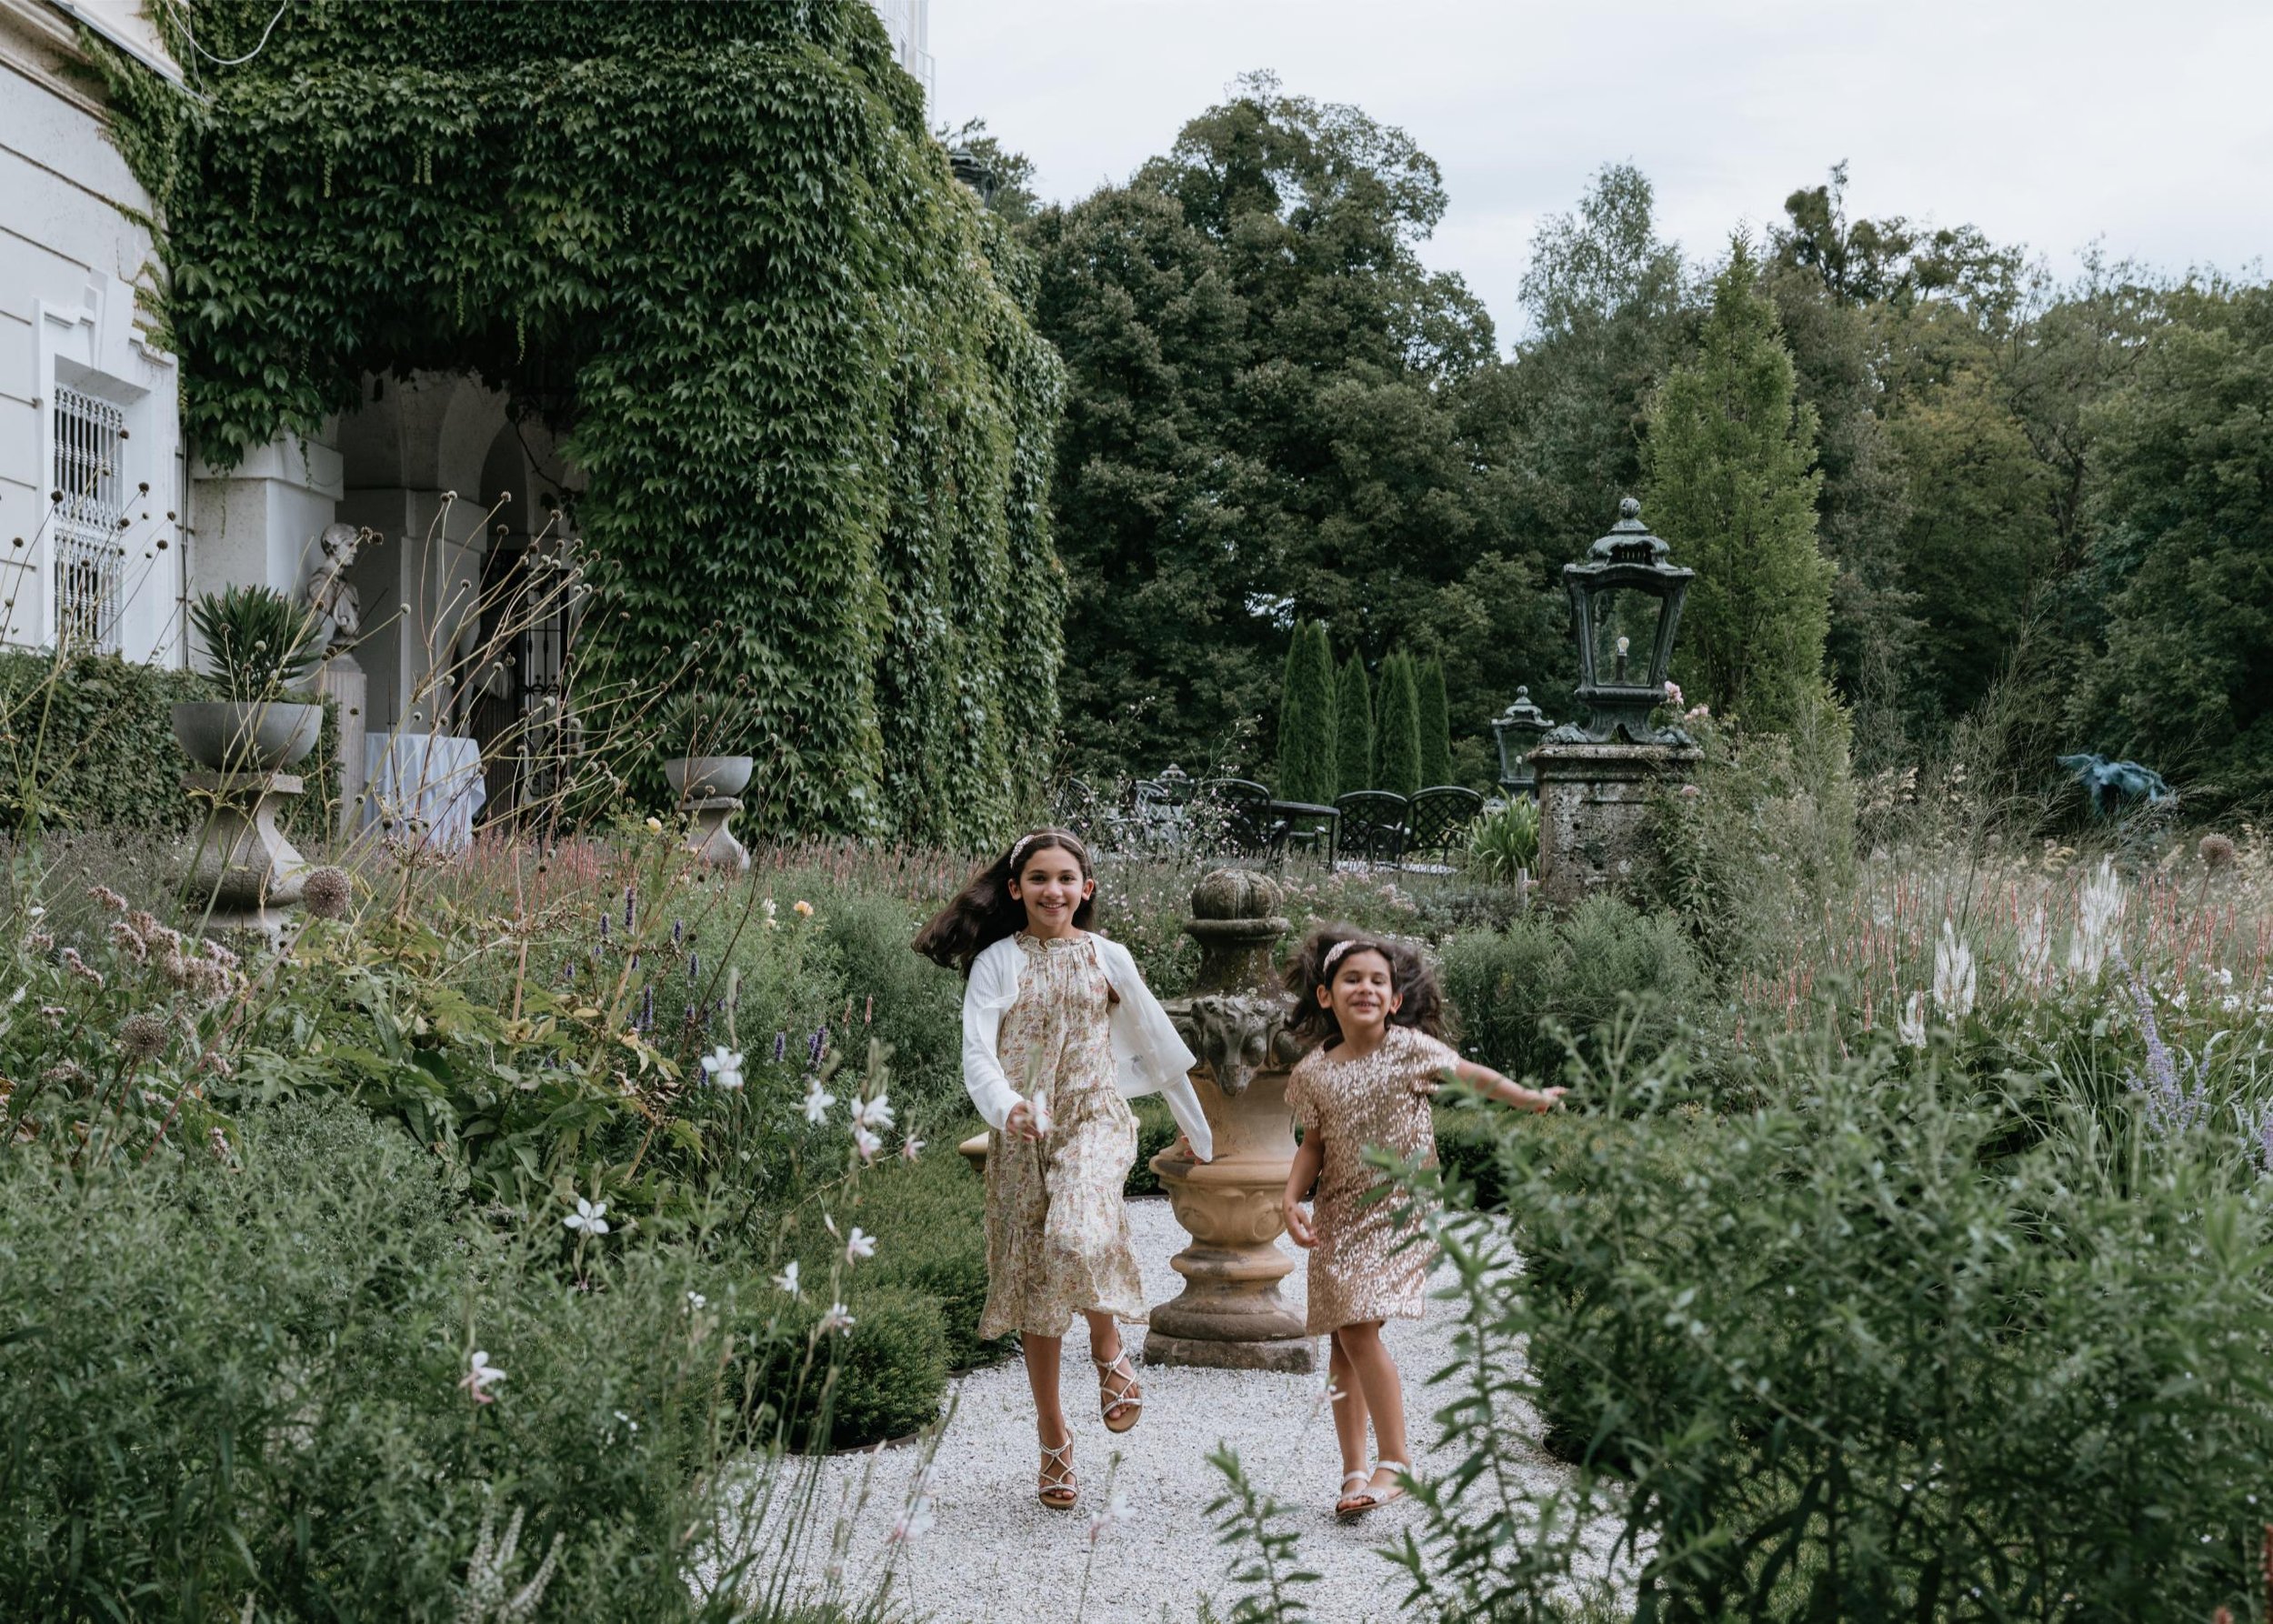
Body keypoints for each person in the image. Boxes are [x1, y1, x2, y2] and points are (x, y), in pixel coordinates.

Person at [914, 828, 1213, 1510]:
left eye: (1066, 878)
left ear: (1087, 888)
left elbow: (1161, 1046)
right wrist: (1007, 1108)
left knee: (1075, 1234)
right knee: (1035, 1284)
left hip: (1095, 1118)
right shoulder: (997, 962)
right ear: (1015, 889)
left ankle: (1108, 1348)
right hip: (1024, 1132)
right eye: (1039, 879)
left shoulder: (1109, 956)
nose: (1053, 890)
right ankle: (1053, 1438)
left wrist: (1197, 1131)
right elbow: (977, 1052)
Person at [1278, 927, 1564, 1519]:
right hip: (1339, 1212)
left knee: (1358, 1331)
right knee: (1342, 1342)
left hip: (1401, 1207)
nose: (1365, 988)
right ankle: (1354, 1473)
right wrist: (1290, 1199)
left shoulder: (1409, 1050)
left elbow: (1470, 1074)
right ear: (1326, 996)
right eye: (1351, 979)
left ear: (1396, 999)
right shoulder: (1312, 1072)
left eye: (1377, 981)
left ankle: (1397, 1462)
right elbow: (1313, 1145)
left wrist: (1527, 1096)